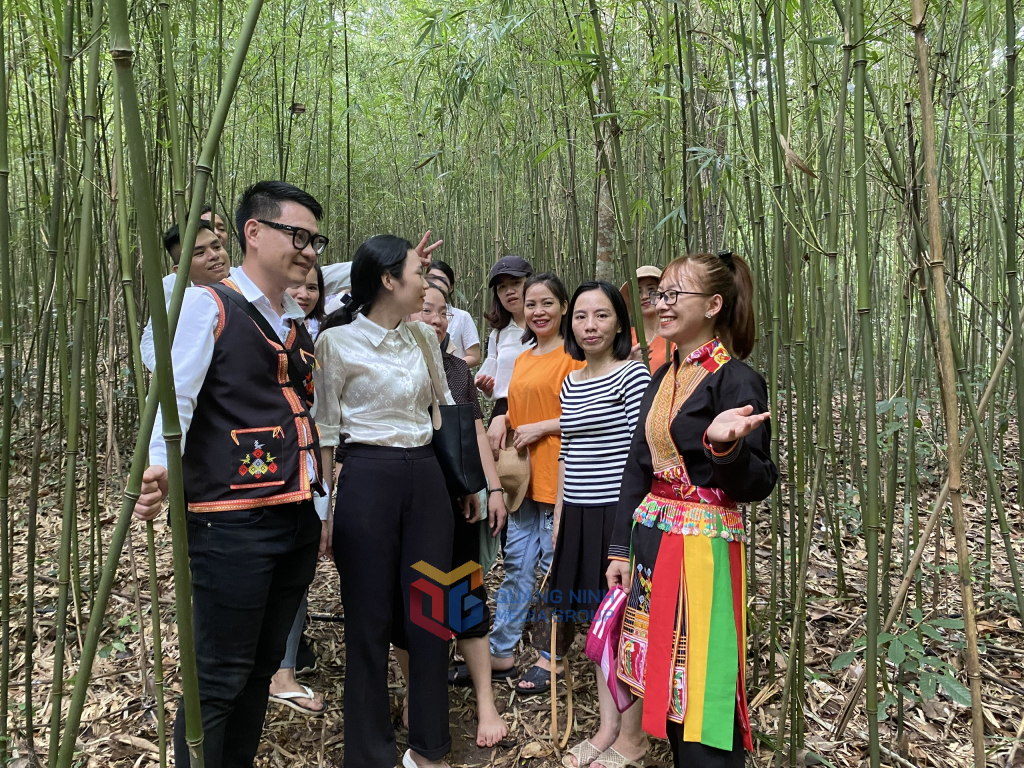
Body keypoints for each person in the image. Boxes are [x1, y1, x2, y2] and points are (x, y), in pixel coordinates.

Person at [132, 181, 331, 768]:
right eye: (297, 236)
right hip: (231, 522)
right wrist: (161, 468)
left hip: (293, 517)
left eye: (315, 240)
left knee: (260, 670)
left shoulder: (291, 316)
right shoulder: (204, 303)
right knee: (219, 677)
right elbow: (177, 397)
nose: (309, 250)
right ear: (254, 232)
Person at [606, 252, 778, 768]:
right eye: (661, 294)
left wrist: (725, 448)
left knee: (704, 686)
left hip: (702, 554)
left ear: (713, 305)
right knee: (668, 681)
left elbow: (759, 481)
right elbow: (638, 467)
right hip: (654, 545)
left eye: (675, 294)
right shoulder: (662, 375)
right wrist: (619, 549)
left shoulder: (737, 380)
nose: (662, 303)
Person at [315, 235, 455, 768]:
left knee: (431, 613)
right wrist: (324, 508)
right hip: (366, 479)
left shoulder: (422, 337)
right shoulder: (336, 343)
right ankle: (371, 753)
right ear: (388, 281)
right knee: (368, 620)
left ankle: (429, 746)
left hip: (425, 478)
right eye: (419, 272)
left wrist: (464, 486)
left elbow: (443, 414)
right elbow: (326, 430)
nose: (428, 282)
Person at [392, 281, 509, 747]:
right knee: (409, 602)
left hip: (457, 498)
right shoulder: (386, 364)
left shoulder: (457, 369)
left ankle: (485, 701)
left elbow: (475, 432)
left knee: (463, 595)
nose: (436, 320)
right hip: (404, 502)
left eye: (443, 313)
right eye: (425, 309)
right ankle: (418, 692)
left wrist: (491, 486)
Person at [543, 282, 651, 768]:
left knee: (625, 623)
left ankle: (632, 736)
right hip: (580, 513)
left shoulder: (634, 376)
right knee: (597, 623)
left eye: (602, 315)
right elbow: (569, 453)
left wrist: (628, 530)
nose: (590, 325)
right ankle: (608, 728)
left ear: (620, 323)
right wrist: (561, 517)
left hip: (618, 513)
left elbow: (641, 456)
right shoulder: (571, 380)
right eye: (582, 316)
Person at [488, 273, 584, 691]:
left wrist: (541, 427)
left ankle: (551, 657)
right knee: (516, 568)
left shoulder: (575, 357)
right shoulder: (524, 356)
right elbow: (516, 406)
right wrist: (501, 419)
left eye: (547, 304)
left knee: (552, 569)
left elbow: (589, 417)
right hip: (522, 480)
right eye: (531, 305)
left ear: (563, 308)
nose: (538, 312)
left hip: (559, 479)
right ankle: (501, 650)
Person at [267, 262, 330, 717]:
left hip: (308, 464)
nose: (304, 293)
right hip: (261, 467)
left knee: (295, 574)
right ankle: (273, 671)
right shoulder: (256, 319)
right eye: (296, 284)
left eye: (312, 286)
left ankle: (283, 668)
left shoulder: (320, 334)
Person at [140, 219, 230, 371]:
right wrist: (176, 372)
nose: (213, 255)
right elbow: (151, 341)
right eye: (200, 253)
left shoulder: (250, 284)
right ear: (179, 270)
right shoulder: (176, 293)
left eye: (216, 247)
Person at [474, 256, 533, 453]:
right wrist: (486, 387)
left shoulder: (551, 328)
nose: (509, 291)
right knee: (509, 477)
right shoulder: (498, 335)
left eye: (516, 283)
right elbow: (494, 387)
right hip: (504, 411)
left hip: (540, 406)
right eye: (501, 287)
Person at [427, 259, 482, 365]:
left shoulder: (462, 317)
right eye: (431, 278)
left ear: (451, 287)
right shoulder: (415, 314)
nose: (436, 283)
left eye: (441, 279)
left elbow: (474, 357)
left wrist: (448, 369)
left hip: (452, 379)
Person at [623, 265, 674, 372]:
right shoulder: (624, 338)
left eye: (651, 289)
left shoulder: (674, 333)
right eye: (638, 292)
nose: (645, 296)